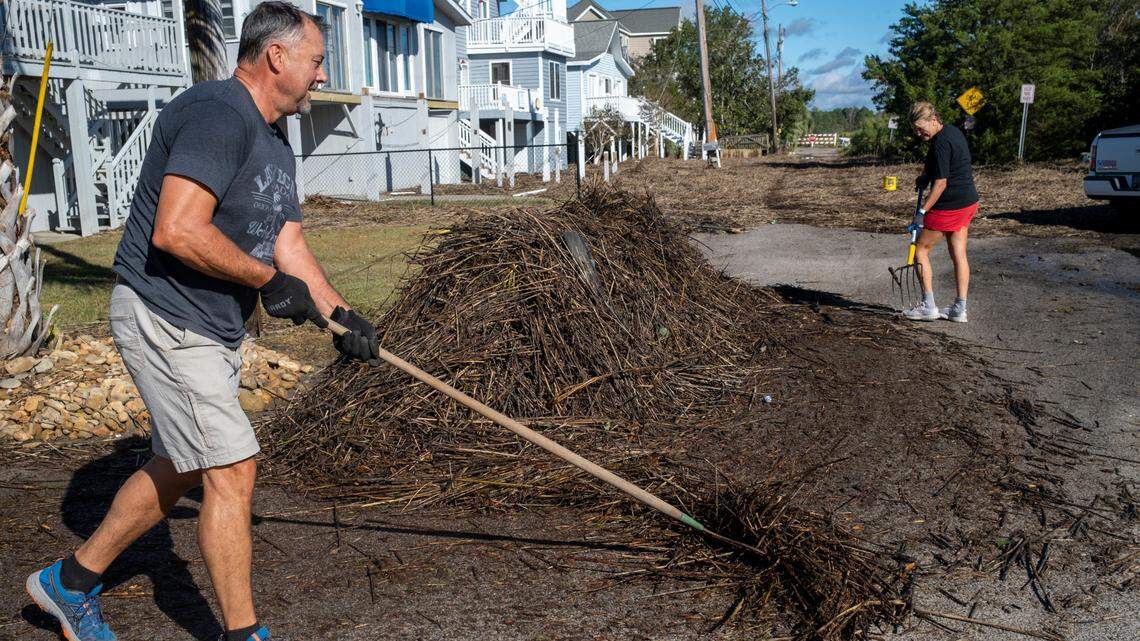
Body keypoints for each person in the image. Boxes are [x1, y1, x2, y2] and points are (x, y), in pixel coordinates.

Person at [24, 3, 380, 640]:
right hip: (166, 314)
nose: (322, 76)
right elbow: (177, 229)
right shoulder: (218, 114)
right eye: (317, 60)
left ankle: (69, 583)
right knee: (232, 466)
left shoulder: (274, 139)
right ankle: (245, 636)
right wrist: (267, 282)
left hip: (210, 327)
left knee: (184, 463)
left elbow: (288, 244)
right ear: (277, 57)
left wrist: (338, 313)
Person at [904, 101, 979, 323]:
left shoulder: (940, 144)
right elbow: (940, 164)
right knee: (958, 252)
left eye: (920, 128)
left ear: (933, 120)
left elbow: (941, 183)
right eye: (915, 130)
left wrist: (923, 212)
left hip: (950, 205)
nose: (919, 133)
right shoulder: (951, 132)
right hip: (968, 201)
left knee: (920, 250)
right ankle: (959, 309)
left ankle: (928, 306)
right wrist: (925, 175)